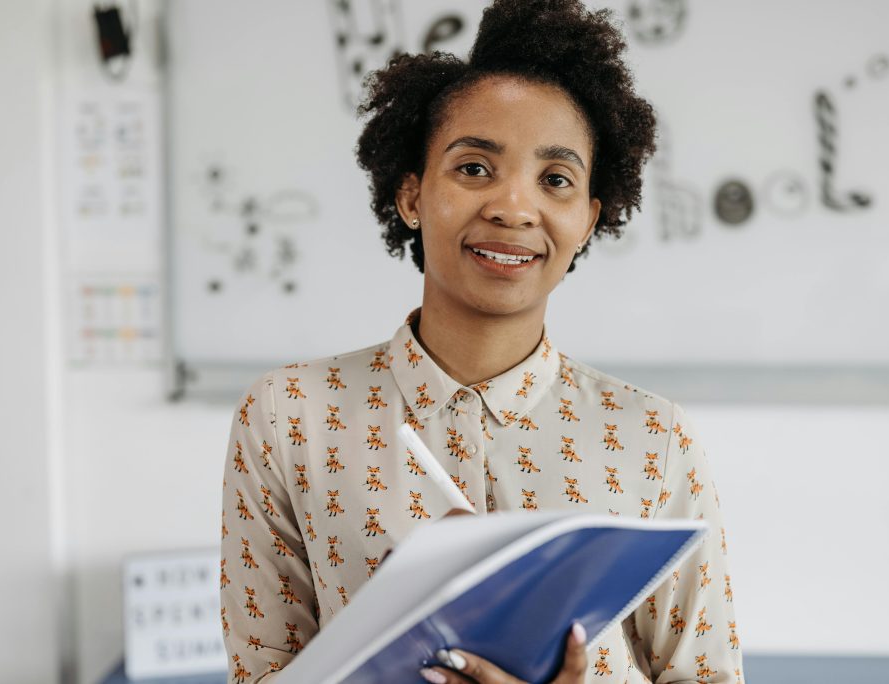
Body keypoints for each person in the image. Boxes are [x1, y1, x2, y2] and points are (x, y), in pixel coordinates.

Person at [220, 1, 744, 682]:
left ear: (587, 219)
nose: (513, 207)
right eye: (474, 169)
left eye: (555, 179)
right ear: (411, 195)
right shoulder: (290, 416)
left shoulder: (654, 439)